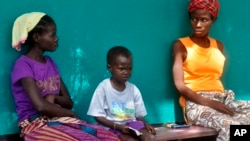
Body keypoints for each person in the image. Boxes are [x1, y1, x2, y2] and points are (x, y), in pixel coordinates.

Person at [11, 12, 120, 141]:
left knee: (109, 137)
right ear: (36, 37)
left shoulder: (50, 63)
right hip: (35, 125)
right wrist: (70, 114)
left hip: (60, 120)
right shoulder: (23, 65)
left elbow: (68, 102)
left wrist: (54, 98)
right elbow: (40, 106)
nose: (56, 38)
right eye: (52, 35)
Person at [172, 0, 250, 141]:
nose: (198, 25)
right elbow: (180, 85)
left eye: (204, 20)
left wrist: (218, 103)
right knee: (230, 127)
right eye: (194, 19)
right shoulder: (181, 45)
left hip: (222, 99)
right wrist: (211, 103)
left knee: (243, 124)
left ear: (213, 20)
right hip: (196, 104)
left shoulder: (218, 45)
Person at [87, 46, 156, 141]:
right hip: (112, 126)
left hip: (131, 125)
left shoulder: (133, 89)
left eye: (129, 68)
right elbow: (97, 116)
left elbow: (139, 115)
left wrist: (146, 124)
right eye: (122, 68)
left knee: (148, 137)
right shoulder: (103, 88)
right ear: (110, 67)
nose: (126, 72)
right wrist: (118, 126)